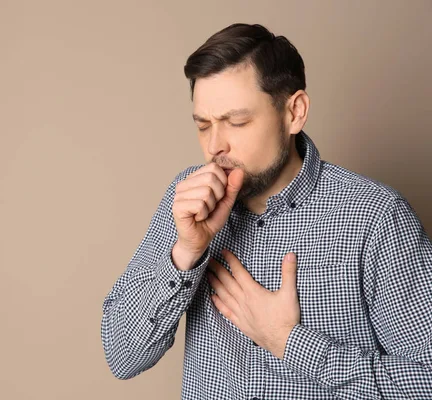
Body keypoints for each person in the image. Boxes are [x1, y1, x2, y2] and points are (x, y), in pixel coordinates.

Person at [100, 23, 432, 399]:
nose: (214, 146)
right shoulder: (187, 202)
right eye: (203, 125)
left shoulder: (376, 217)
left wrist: (290, 342)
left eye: (237, 122)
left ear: (295, 112)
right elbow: (122, 356)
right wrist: (185, 253)